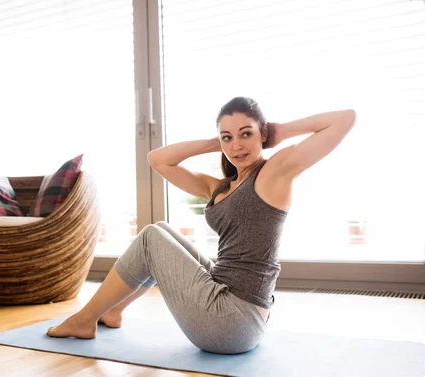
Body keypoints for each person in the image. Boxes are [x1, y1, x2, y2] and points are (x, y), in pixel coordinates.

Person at [47, 97, 356, 354]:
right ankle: (113, 311)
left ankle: (86, 318)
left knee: (151, 238)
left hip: (234, 321)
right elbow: (157, 159)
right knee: (162, 231)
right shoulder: (220, 188)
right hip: (228, 305)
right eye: (228, 137)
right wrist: (215, 143)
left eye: (246, 134)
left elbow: (345, 118)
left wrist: (278, 132)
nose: (236, 145)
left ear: (261, 133)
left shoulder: (274, 173)